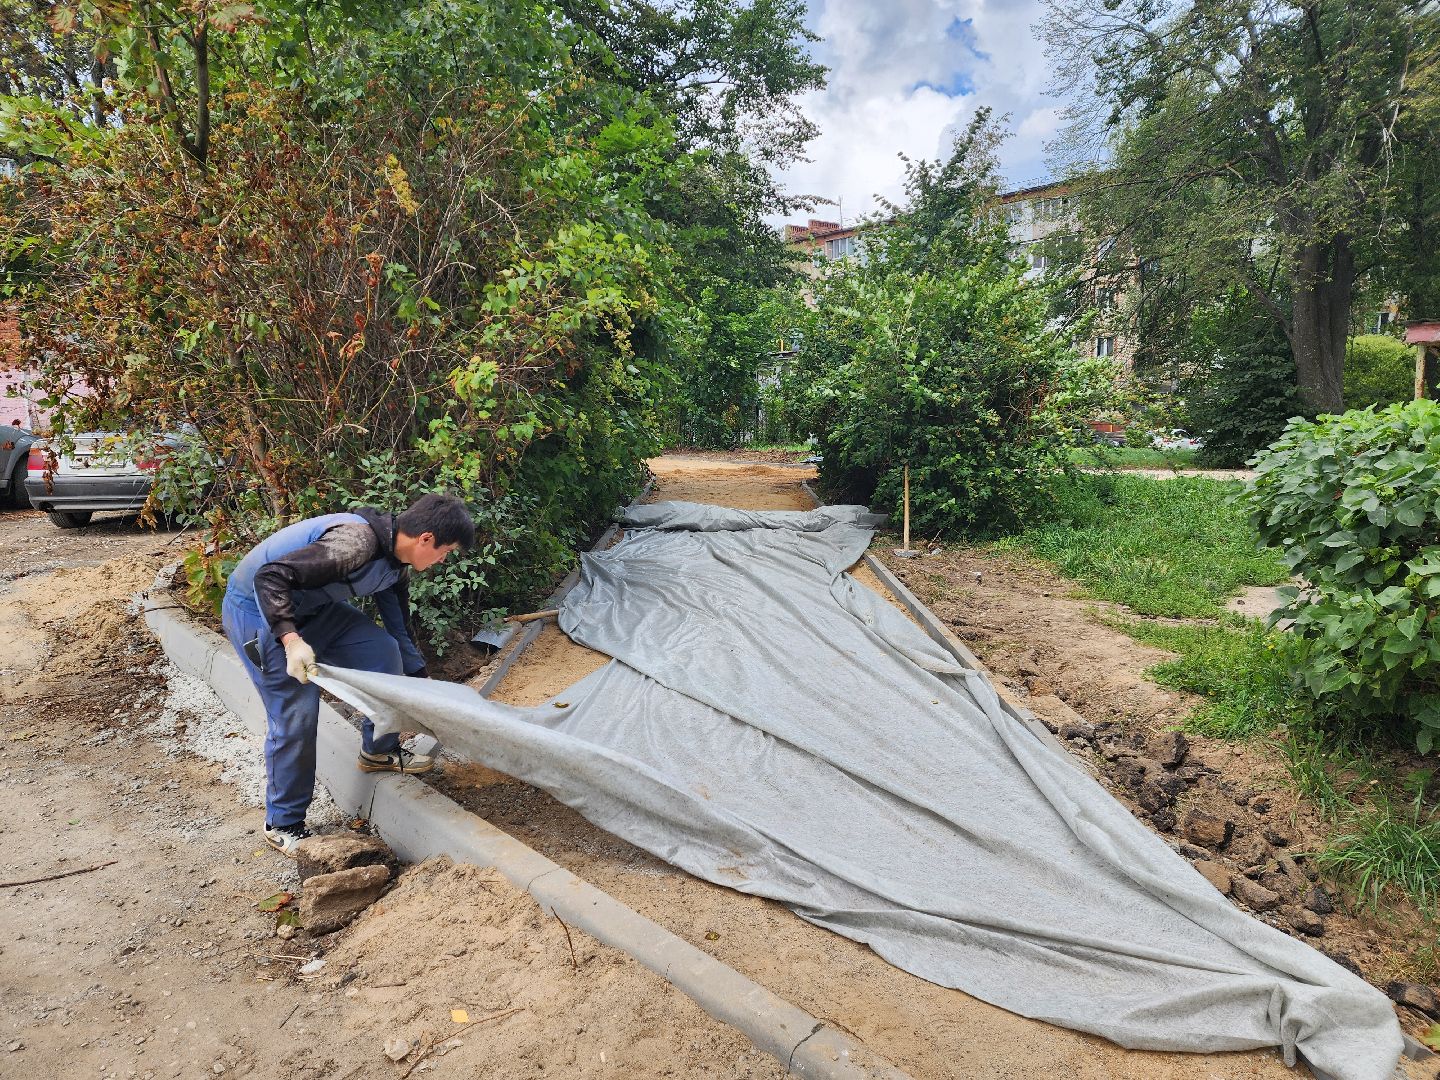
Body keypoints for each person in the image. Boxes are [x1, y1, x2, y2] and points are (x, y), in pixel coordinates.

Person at [221, 493, 475, 856]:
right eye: (445, 551)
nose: (442, 560)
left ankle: (378, 752)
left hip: (315, 611)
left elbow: (399, 628)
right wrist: (291, 641)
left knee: (383, 651)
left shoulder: (395, 565)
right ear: (426, 539)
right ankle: (282, 823)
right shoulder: (354, 543)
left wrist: (421, 680)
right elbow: (270, 577)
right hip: (259, 613)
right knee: (297, 714)